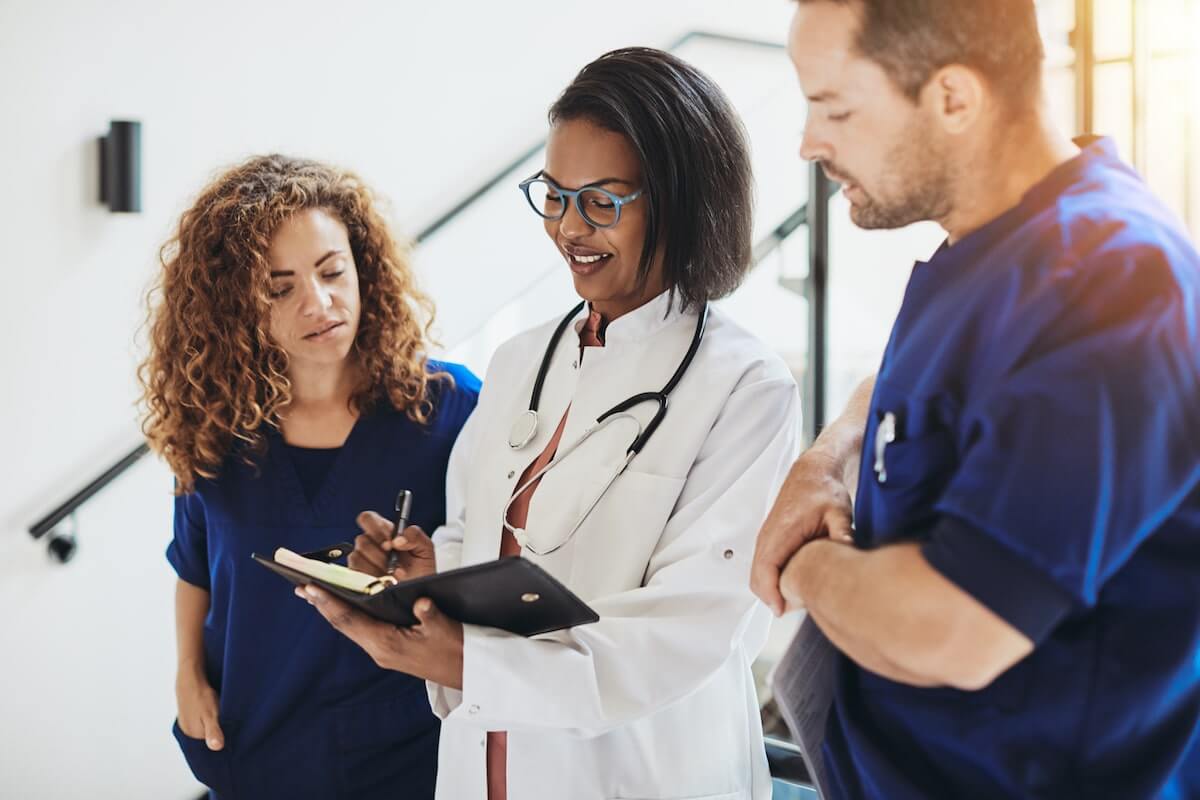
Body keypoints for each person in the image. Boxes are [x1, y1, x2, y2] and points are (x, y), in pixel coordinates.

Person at [297, 47, 801, 799]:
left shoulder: (744, 387)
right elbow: (476, 536)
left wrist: (463, 660)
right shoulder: (520, 362)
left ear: (682, 200)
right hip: (490, 765)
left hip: (644, 775)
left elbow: (685, 633)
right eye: (555, 195)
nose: (568, 227)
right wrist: (424, 580)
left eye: (602, 200)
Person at [750, 1, 1200, 797]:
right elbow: (909, 393)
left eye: (835, 109)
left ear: (955, 98)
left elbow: (954, 630)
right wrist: (826, 461)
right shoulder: (983, 246)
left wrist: (806, 563)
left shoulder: (1111, 281)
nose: (809, 143)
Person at [139, 155, 479, 799]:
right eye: (280, 287)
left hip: (401, 758)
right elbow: (195, 570)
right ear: (236, 302)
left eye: (332, 272)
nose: (319, 304)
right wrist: (187, 676)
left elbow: (487, 568)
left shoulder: (448, 409)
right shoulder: (215, 427)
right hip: (253, 746)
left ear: (363, 267)